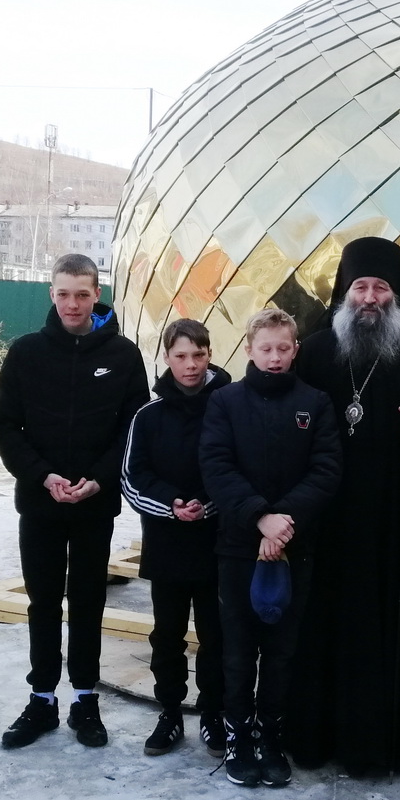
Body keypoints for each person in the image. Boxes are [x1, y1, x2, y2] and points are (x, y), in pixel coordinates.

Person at [287, 236, 400, 776]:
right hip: (326, 527)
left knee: (385, 635)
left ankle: (382, 747)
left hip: (392, 531)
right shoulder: (313, 353)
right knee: (321, 631)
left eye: (380, 287)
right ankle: (314, 741)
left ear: (396, 295)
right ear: (344, 292)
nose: (369, 297)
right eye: (360, 286)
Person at [0, 254, 149, 750]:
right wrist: (43, 476)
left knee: (87, 602)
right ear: (51, 294)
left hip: (95, 505)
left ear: (96, 294)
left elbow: (134, 428)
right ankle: (41, 698)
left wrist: (101, 480)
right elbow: (6, 427)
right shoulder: (26, 353)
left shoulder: (124, 355)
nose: (73, 304)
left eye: (82, 294)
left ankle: (84, 699)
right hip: (41, 503)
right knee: (42, 602)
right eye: (64, 293)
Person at [199, 309, 342, 787]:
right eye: (266, 349)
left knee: (282, 653)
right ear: (248, 349)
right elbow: (217, 466)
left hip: (295, 548)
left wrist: (284, 525)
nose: (275, 357)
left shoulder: (315, 402)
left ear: (295, 349)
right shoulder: (225, 402)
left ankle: (271, 737)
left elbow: (325, 470)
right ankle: (238, 736)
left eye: (284, 348)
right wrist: (260, 517)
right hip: (239, 548)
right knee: (239, 652)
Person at [123, 318, 232, 758]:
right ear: (166, 358)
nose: (190, 365)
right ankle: (169, 711)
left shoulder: (228, 407)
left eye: (199, 355)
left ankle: (212, 712)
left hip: (217, 543)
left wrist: (208, 505)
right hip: (167, 544)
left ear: (210, 355)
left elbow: (239, 469)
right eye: (181, 356)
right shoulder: (148, 416)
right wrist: (171, 505)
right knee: (167, 634)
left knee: (216, 634)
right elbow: (133, 477)